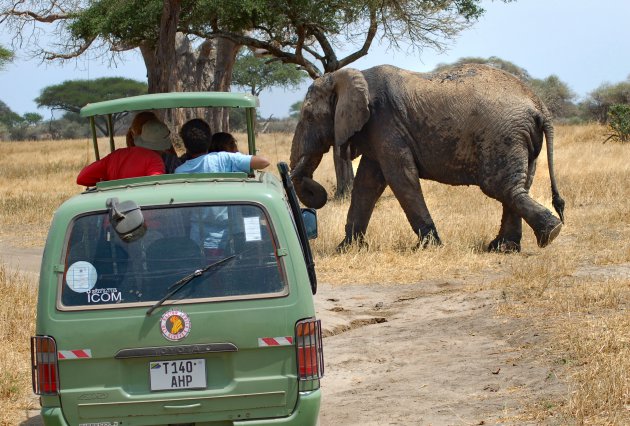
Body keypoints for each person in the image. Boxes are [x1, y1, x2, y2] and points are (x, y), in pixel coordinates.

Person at [76, 119, 172, 186]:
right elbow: (156, 187)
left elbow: (82, 177)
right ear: (163, 146)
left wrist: (106, 184)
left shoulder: (116, 155)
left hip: (113, 209)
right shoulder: (155, 160)